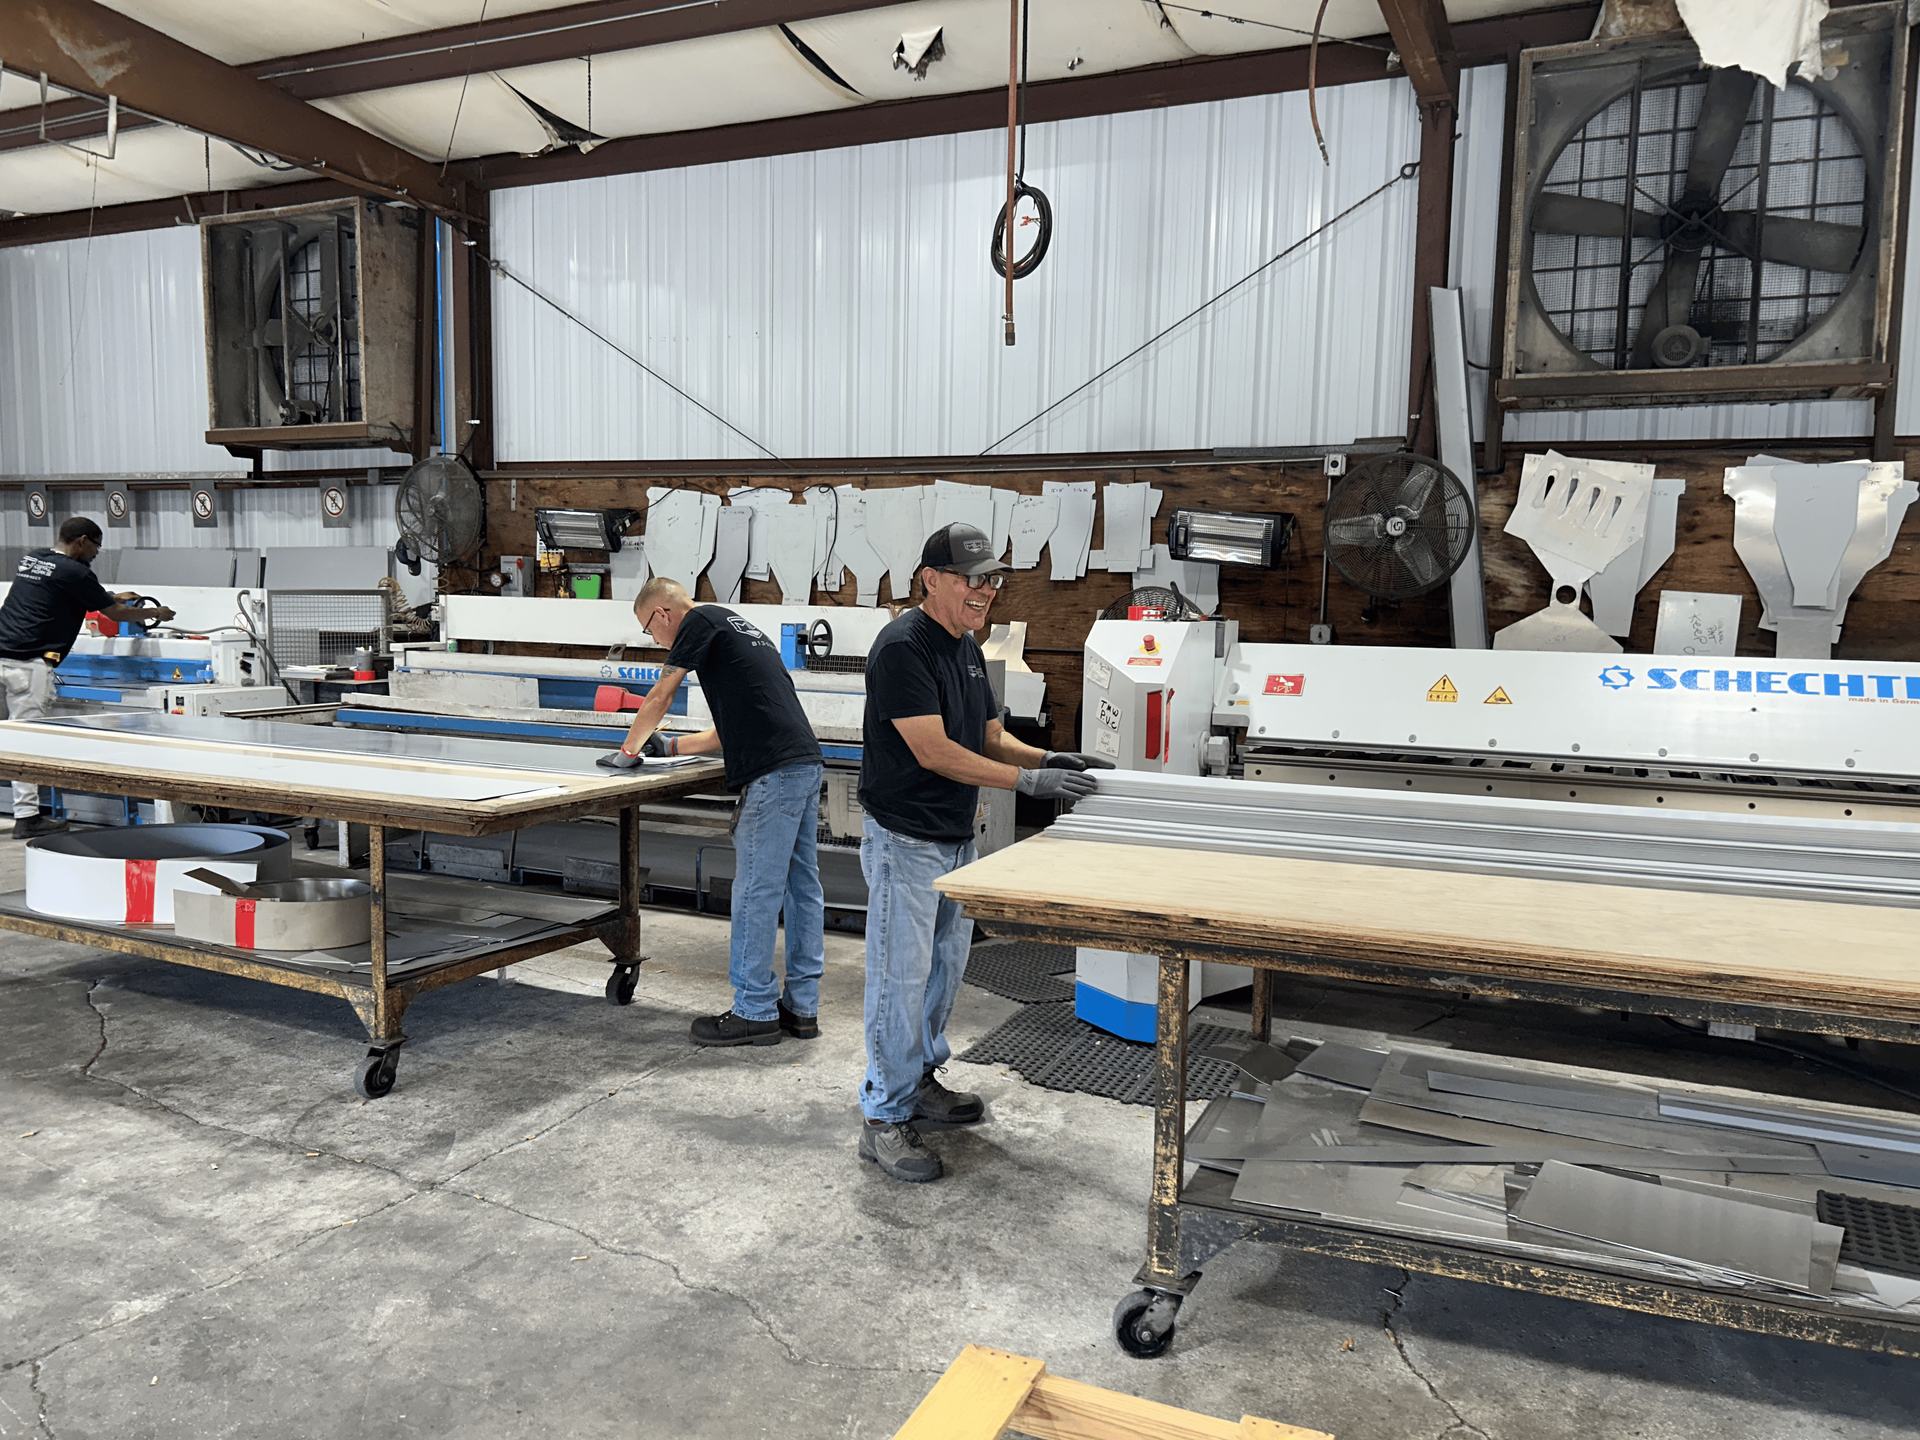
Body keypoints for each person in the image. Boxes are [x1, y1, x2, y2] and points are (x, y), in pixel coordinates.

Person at [856, 522, 1114, 1183]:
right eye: (972, 578)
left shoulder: (970, 650)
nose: (985, 590)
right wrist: (1030, 783)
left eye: (993, 579)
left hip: (955, 838)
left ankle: (918, 1081)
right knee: (899, 981)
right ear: (931, 579)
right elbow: (933, 750)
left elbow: (990, 736)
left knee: (943, 971)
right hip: (905, 841)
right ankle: (884, 1117)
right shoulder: (902, 648)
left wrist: (1048, 756)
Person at [606, 577, 827, 1048]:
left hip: (773, 776)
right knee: (801, 888)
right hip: (804, 765)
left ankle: (753, 1010)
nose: (655, 639)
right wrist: (672, 746)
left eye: (649, 630)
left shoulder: (697, 620)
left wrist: (628, 750)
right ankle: (801, 1009)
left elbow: (662, 694)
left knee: (755, 893)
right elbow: (740, 724)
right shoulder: (735, 625)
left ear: (662, 614)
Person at [0, 517, 175, 838]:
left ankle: (26, 813)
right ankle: (27, 817)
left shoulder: (34, 559)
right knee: (24, 742)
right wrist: (155, 613)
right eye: (96, 546)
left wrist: (109, 594)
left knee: (6, 740)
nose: (96, 552)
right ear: (82, 540)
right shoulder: (77, 572)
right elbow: (115, 614)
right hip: (27, 666)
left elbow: (60, 591)